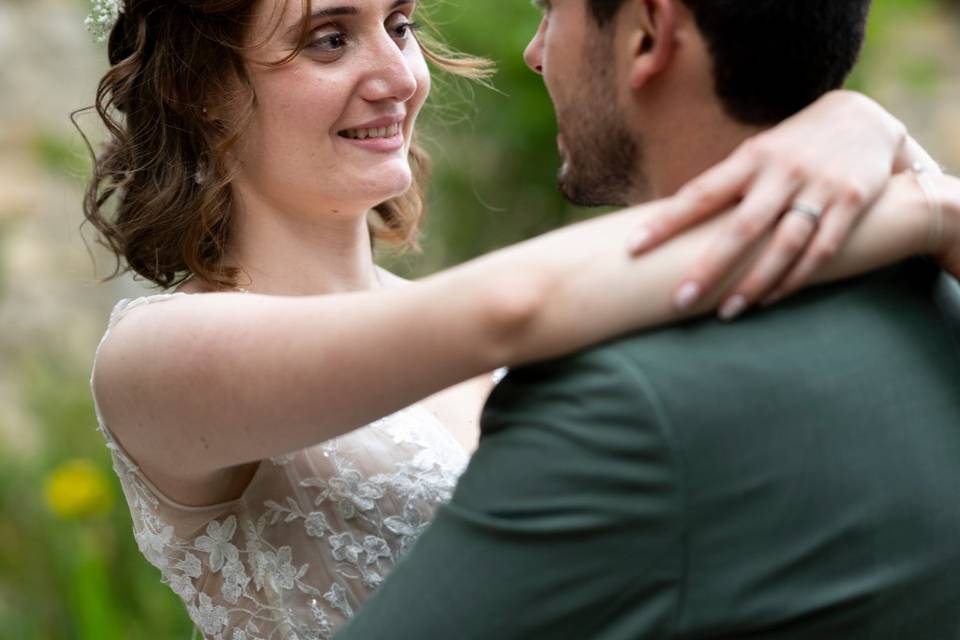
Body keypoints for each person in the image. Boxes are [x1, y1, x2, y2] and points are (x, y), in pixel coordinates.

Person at [83, 0, 953, 638]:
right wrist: (917, 206)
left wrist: (860, 130)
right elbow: (517, 304)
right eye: (329, 39)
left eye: (401, 25)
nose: (396, 75)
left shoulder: (459, 321)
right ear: (198, 89)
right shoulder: (157, 355)